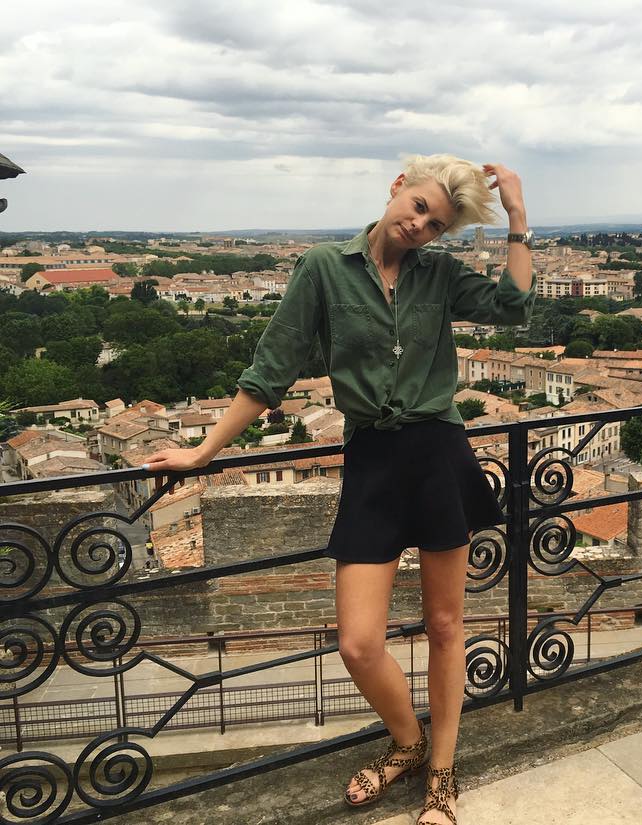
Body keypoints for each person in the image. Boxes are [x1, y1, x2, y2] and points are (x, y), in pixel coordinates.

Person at [143, 155, 535, 824]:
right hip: (373, 461)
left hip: (438, 452)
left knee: (446, 625)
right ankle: (408, 742)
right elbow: (270, 370)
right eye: (418, 207)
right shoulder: (323, 268)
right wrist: (204, 452)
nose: (420, 226)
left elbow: (514, 307)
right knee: (357, 642)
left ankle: (442, 774)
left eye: (436, 225)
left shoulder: (439, 275)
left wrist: (518, 218)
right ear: (398, 188)